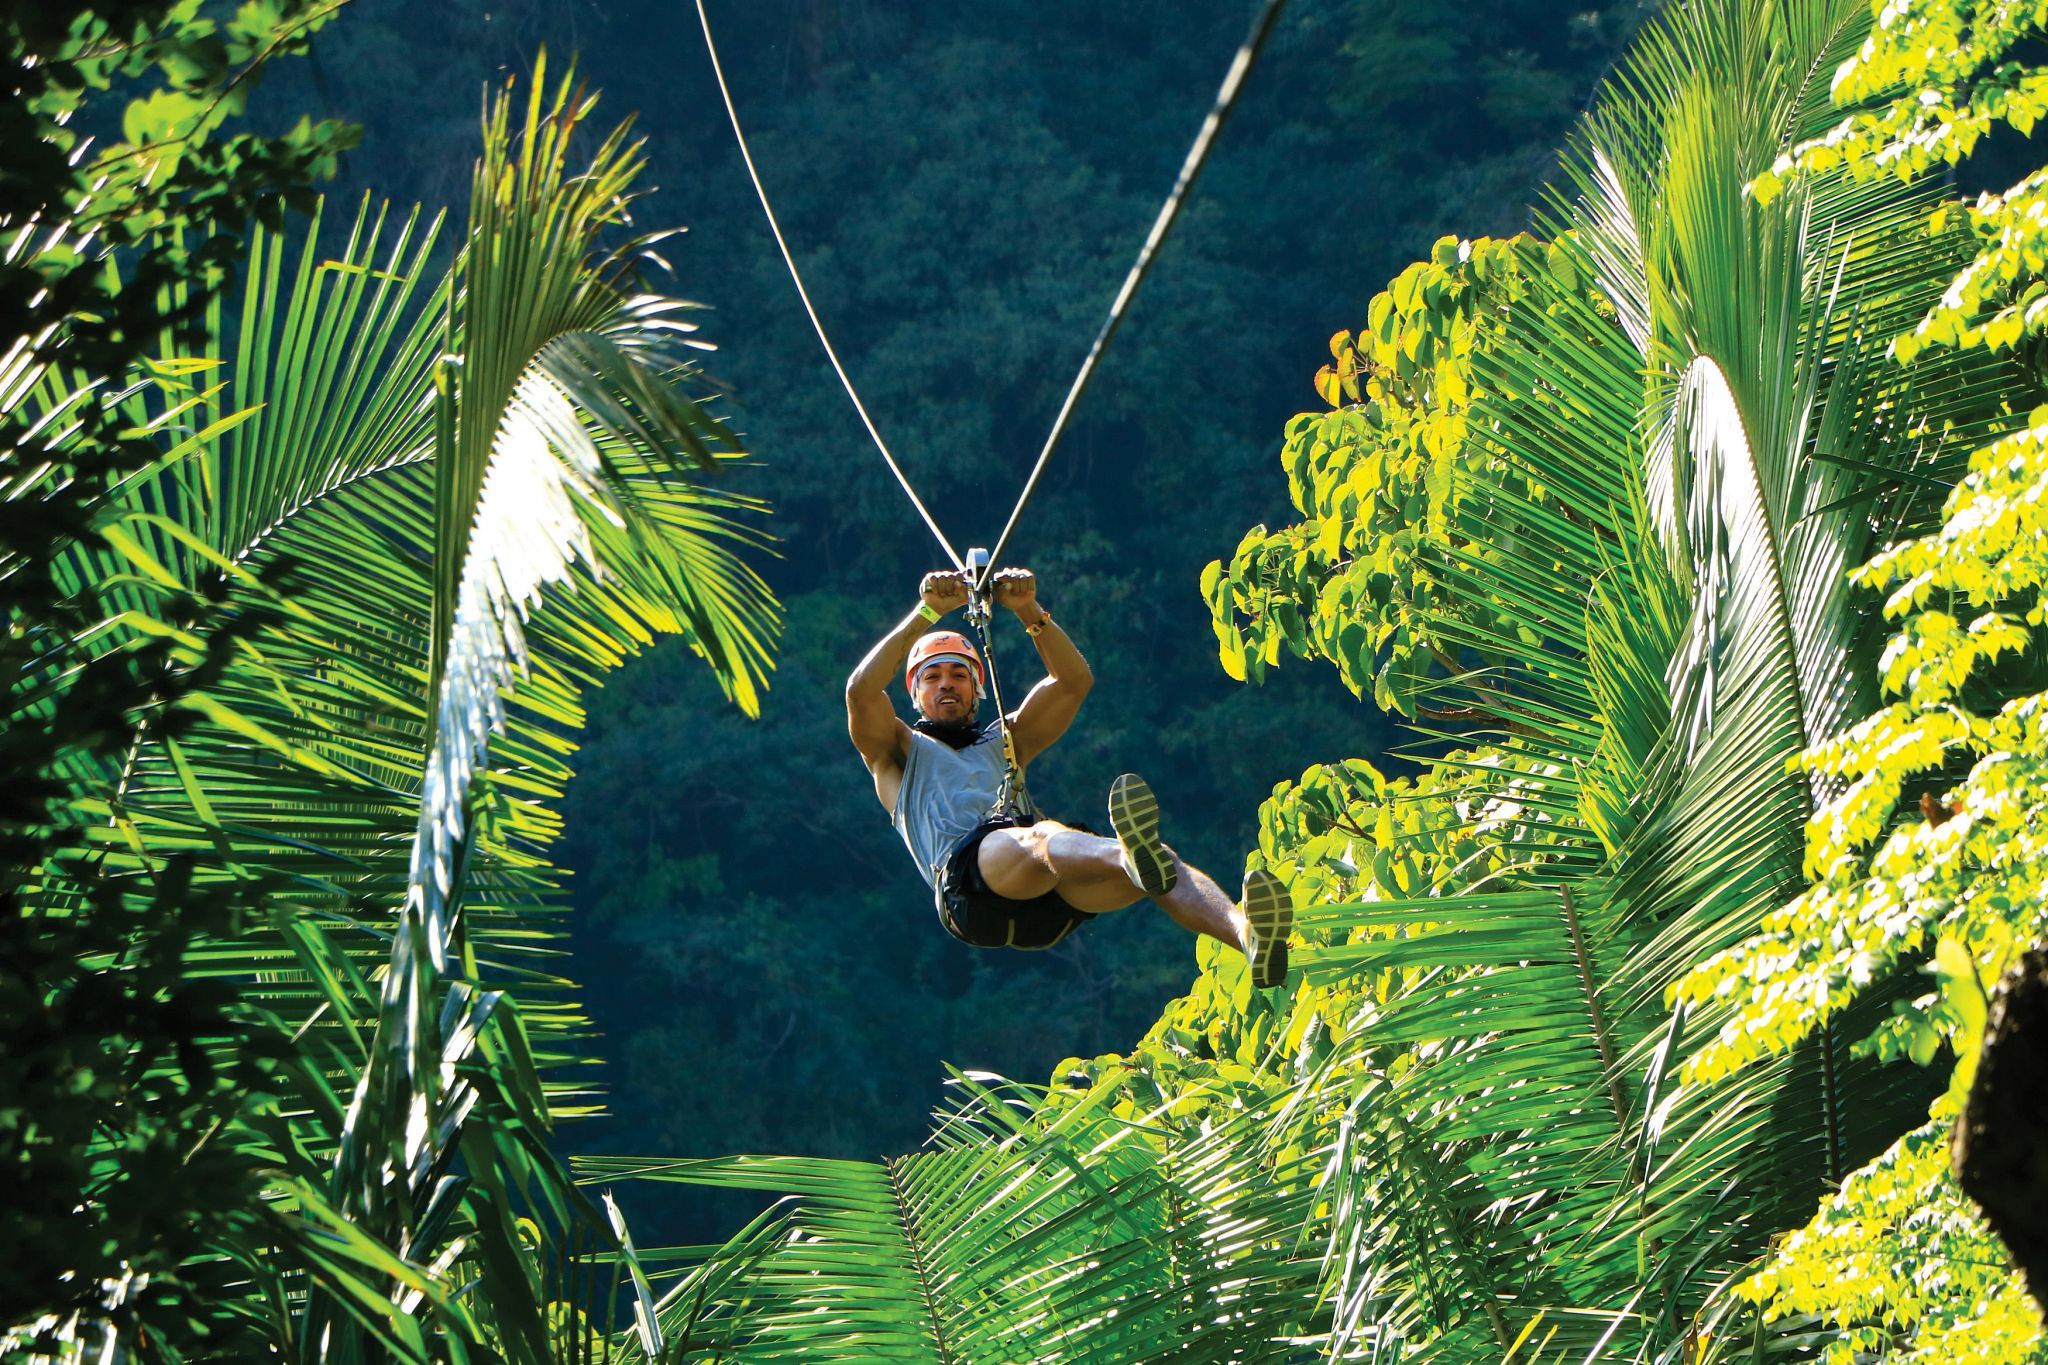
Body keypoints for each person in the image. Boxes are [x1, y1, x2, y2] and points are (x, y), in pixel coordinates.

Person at [844, 565, 1292, 986]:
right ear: (914, 693)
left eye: (959, 674)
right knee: (1044, 836)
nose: (946, 683)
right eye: (932, 676)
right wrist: (926, 612)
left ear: (977, 688)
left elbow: (1073, 682)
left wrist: (1029, 610)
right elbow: (861, 692)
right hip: (970, 893)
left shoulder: (1006, 739)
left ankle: (1246, 935)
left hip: (1047, 899)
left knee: (1163, 861)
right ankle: (1127, 858)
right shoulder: (896, 750)